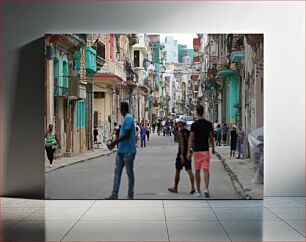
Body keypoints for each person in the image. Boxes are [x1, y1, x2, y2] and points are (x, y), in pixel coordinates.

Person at [106, 102, 137, 200]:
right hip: (121, 151)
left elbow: (127, 134)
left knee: (129, 173)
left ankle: (130, 194)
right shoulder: (126, 119)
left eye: (120, 108)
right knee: (117, 173)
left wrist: (114, 142)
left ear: (122, 109)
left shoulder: (128, 118)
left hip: (128, 151)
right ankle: (114, 194)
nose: (119, 110)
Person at [187, 105, 215, 198]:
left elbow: (191, 139)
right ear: (203, 112)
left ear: (196, 113)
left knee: (197, 171)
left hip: (197, 151)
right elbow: (211, 138)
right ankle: (206, 189)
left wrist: (189, 151)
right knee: (206, 170)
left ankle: (198, 191)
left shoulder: (194, 125)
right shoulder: (208, 124)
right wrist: (213, 148)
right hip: (205, 150)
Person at [168, 117, 195, 194]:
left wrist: (181, 155)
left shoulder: (180, 133)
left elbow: (182, 144)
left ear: (181, 124)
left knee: (177, 170)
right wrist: (189, 152)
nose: (177, 123)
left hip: (182, 154)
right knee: (189, 170)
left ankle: (175, 187)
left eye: (179, 122)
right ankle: (193, 187)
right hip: (188, 153)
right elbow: (192, 142)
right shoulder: (188, 132)